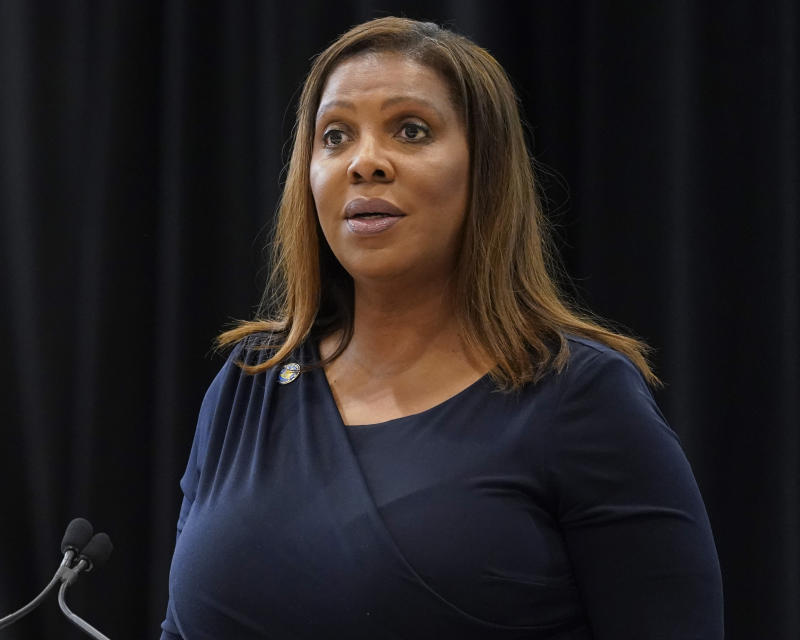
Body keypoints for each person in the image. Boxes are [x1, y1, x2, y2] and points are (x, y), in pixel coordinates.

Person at [160, 16, 723, 640]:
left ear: (485, 170)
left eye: (411, 130)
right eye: (336, 136)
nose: (365, 162)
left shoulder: (581, 398)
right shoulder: (248, 386)